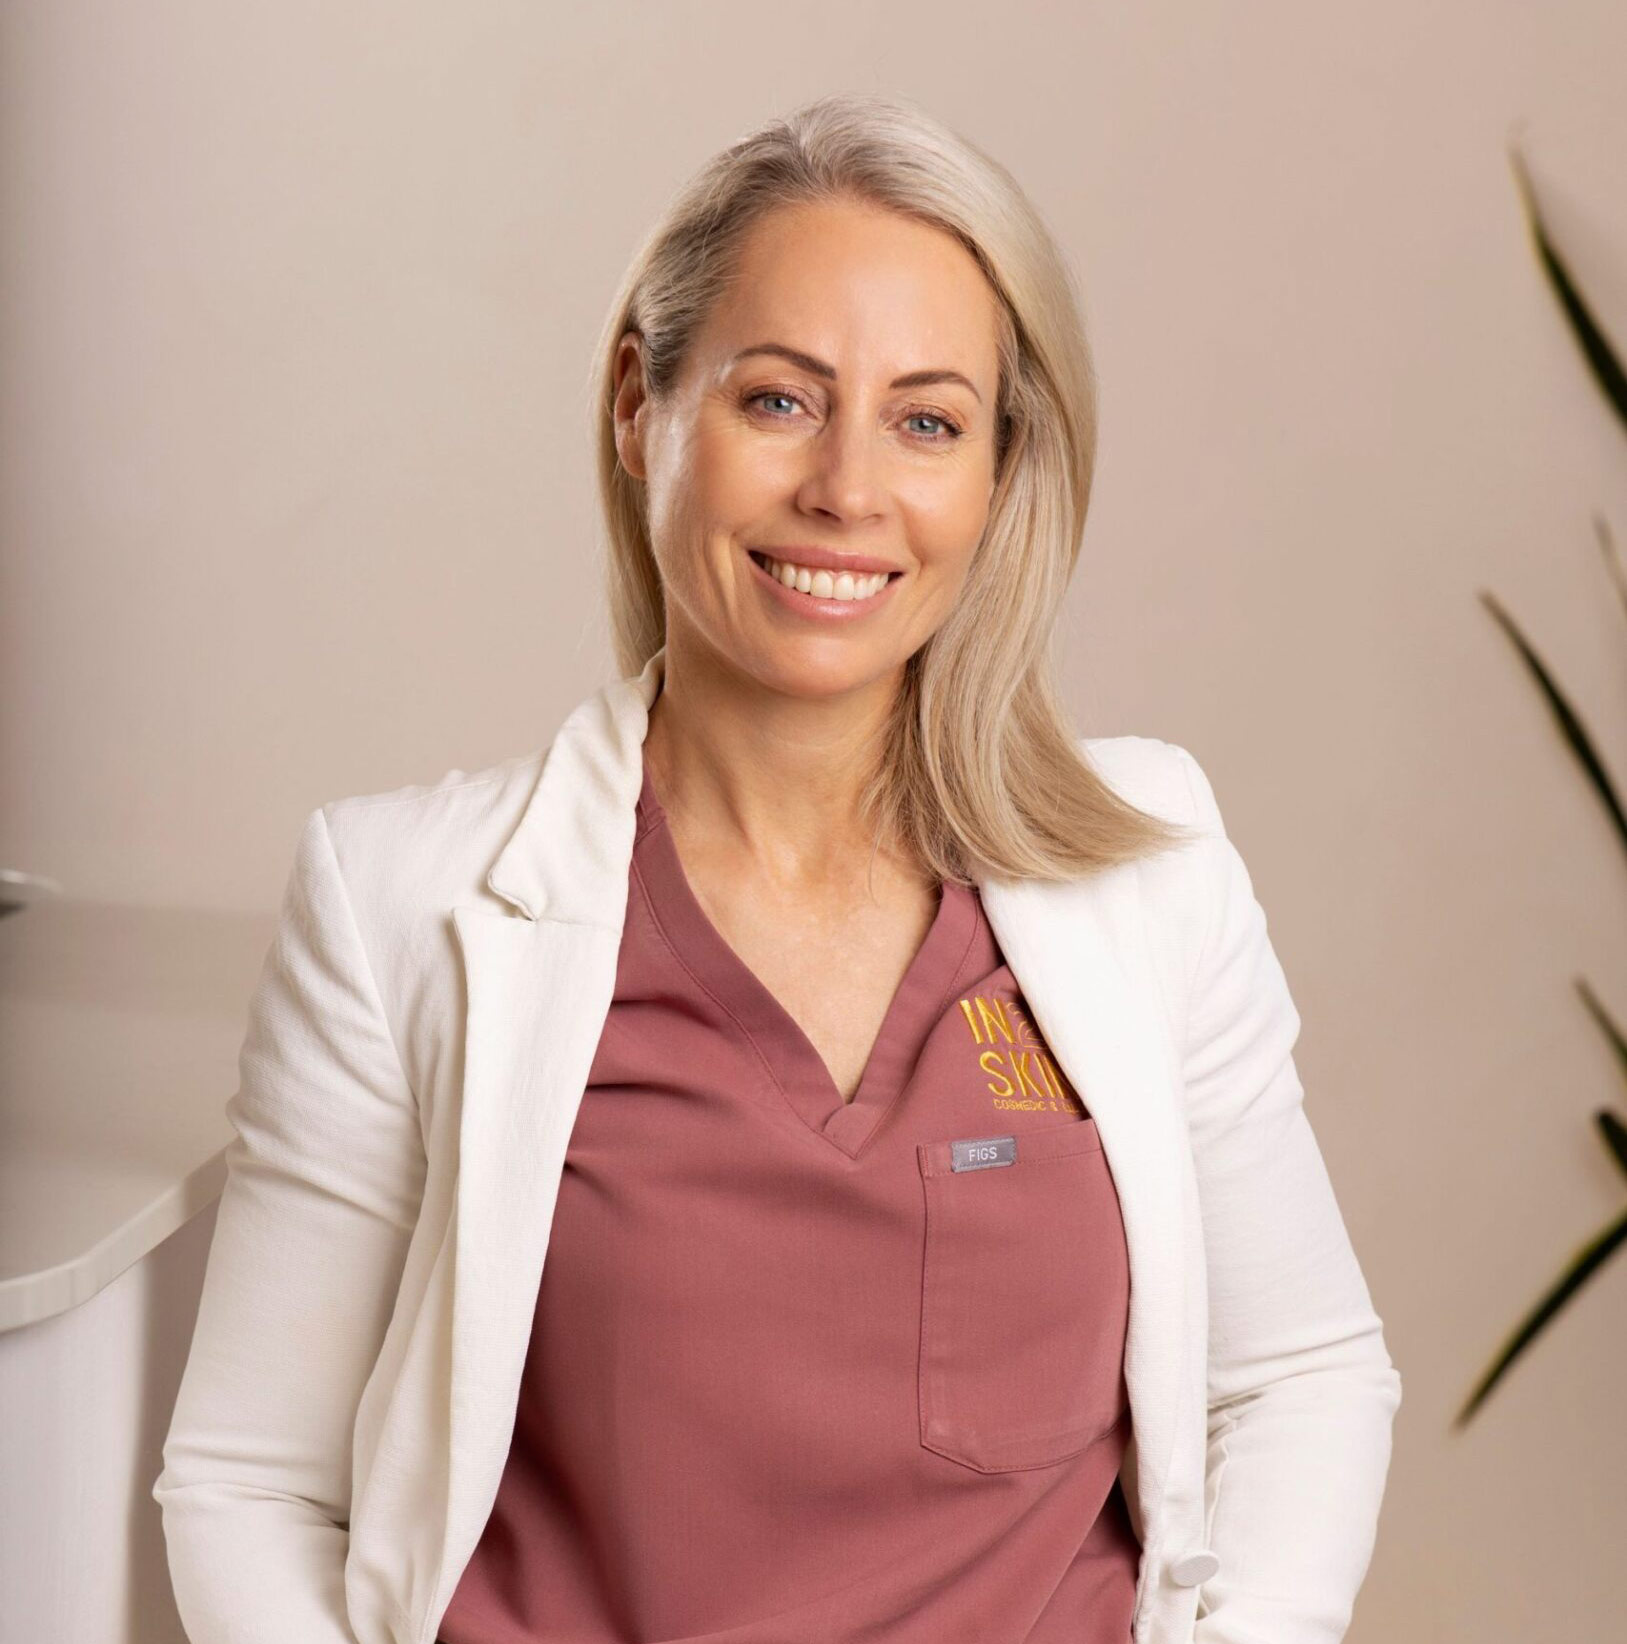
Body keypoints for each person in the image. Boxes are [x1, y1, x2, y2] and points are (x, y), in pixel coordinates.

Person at [153, 92, 1401, 1644]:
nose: (848, 490)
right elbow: (253, 1483)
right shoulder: (400, 901)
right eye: (780, 401)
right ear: (640, 407)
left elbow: (1299, 1375)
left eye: (928, 422)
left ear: (999, 472)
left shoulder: (1150, 868)